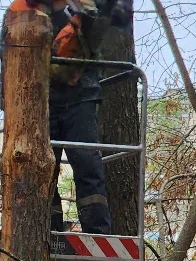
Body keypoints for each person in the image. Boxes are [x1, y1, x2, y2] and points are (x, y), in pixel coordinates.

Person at [44, 0, 132, 235]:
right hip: (41, 99)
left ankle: (97, 231)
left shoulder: (86, 6)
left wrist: (86, 13)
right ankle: (47, 228)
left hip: (81, 95)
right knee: (43, 169)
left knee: (87, 164)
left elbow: (113, 16)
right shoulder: (28, 10)